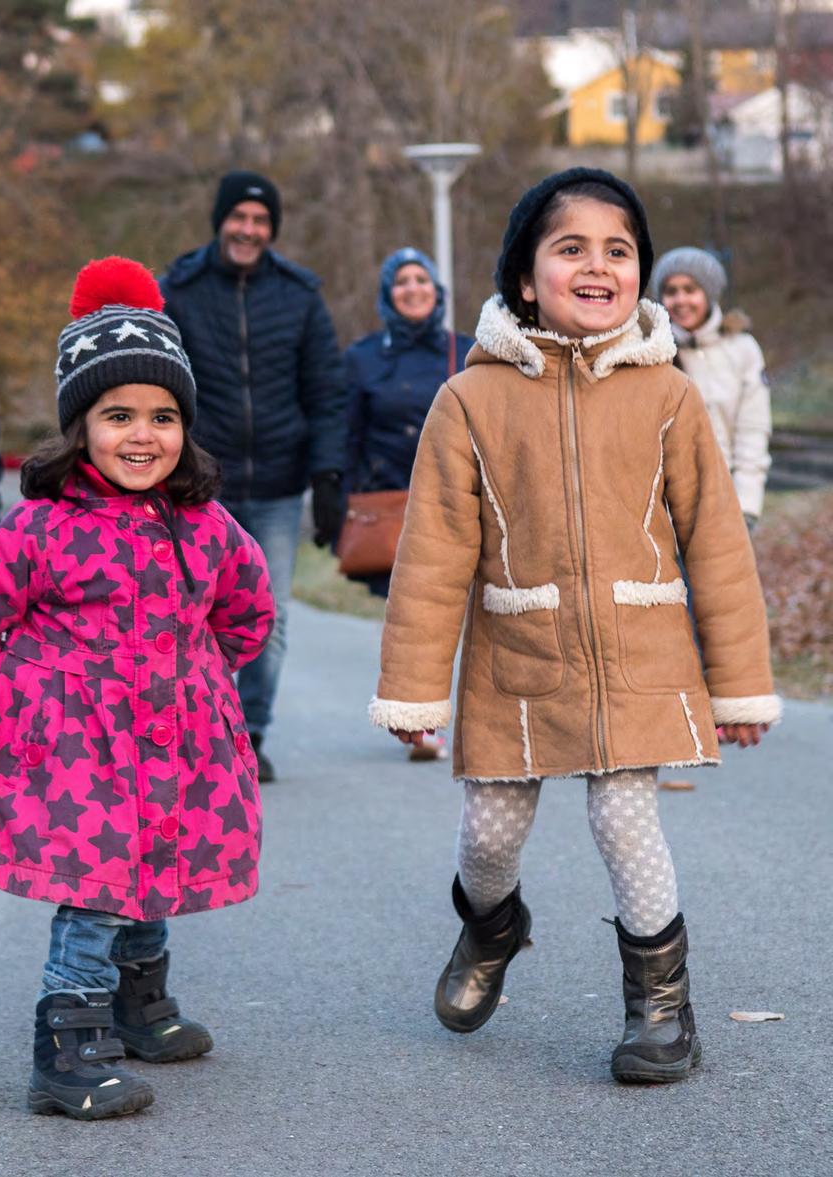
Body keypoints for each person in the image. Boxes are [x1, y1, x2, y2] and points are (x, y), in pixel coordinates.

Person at [368, 168, 781, 1084]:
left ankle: (661, 1009)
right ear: (524, 275)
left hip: (640, 657)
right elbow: (433, 555)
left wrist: (741, 682)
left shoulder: (667, 394)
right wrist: (412, 689)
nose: (598, 265)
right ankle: (492, 925)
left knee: (625, 820)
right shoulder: (469, 402)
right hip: (518, 661)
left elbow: (716, 543)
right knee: (489, 835)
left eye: (618, 250)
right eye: (572, 248)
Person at [0, 257, 275, 1120]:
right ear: (78, 427)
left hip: (175, 743)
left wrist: (203, 679)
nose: (141, 435)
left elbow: (249, 607)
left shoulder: (206, 523)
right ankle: (67, 1048)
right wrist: (18, 703)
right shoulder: (41, 531)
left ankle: (137, 1003)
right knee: (96, 891)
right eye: (117, 415)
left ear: (184, 429)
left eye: (162, 417)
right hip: (77, 754)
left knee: (151, 872)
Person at [161, 171, 346, 782]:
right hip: (195, 488)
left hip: (276, 486)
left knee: (271, 615)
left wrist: (327, 477)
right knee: (191, 616)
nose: (249, 229)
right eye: (239, 217)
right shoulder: (178, 291)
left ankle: (248, 732)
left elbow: (326, 394)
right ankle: (198, 728)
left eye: (261, 221)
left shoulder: (299, 298)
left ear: (272, 229)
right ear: (220, 221)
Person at [343, 246, 473, 762]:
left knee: (465, 618)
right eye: (402, 282)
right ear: (388, 295)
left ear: (437, 292)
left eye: (422, 280)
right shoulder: (363, 357)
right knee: (415, 620)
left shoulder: (464, 349)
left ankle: (466, 716)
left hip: (459, 499)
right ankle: (420, 722)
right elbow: (349, 434)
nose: (413, 288)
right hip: (392, 504)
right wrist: (343, 502)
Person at [651, 246, 772, 529]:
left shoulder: (743, 350)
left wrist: (747, 507)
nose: (680, 300)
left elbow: (752, 433)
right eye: (671, 291)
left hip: (725, 507)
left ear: (709, 293)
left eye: (690, 289)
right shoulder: (651, 353)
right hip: (665, 517)